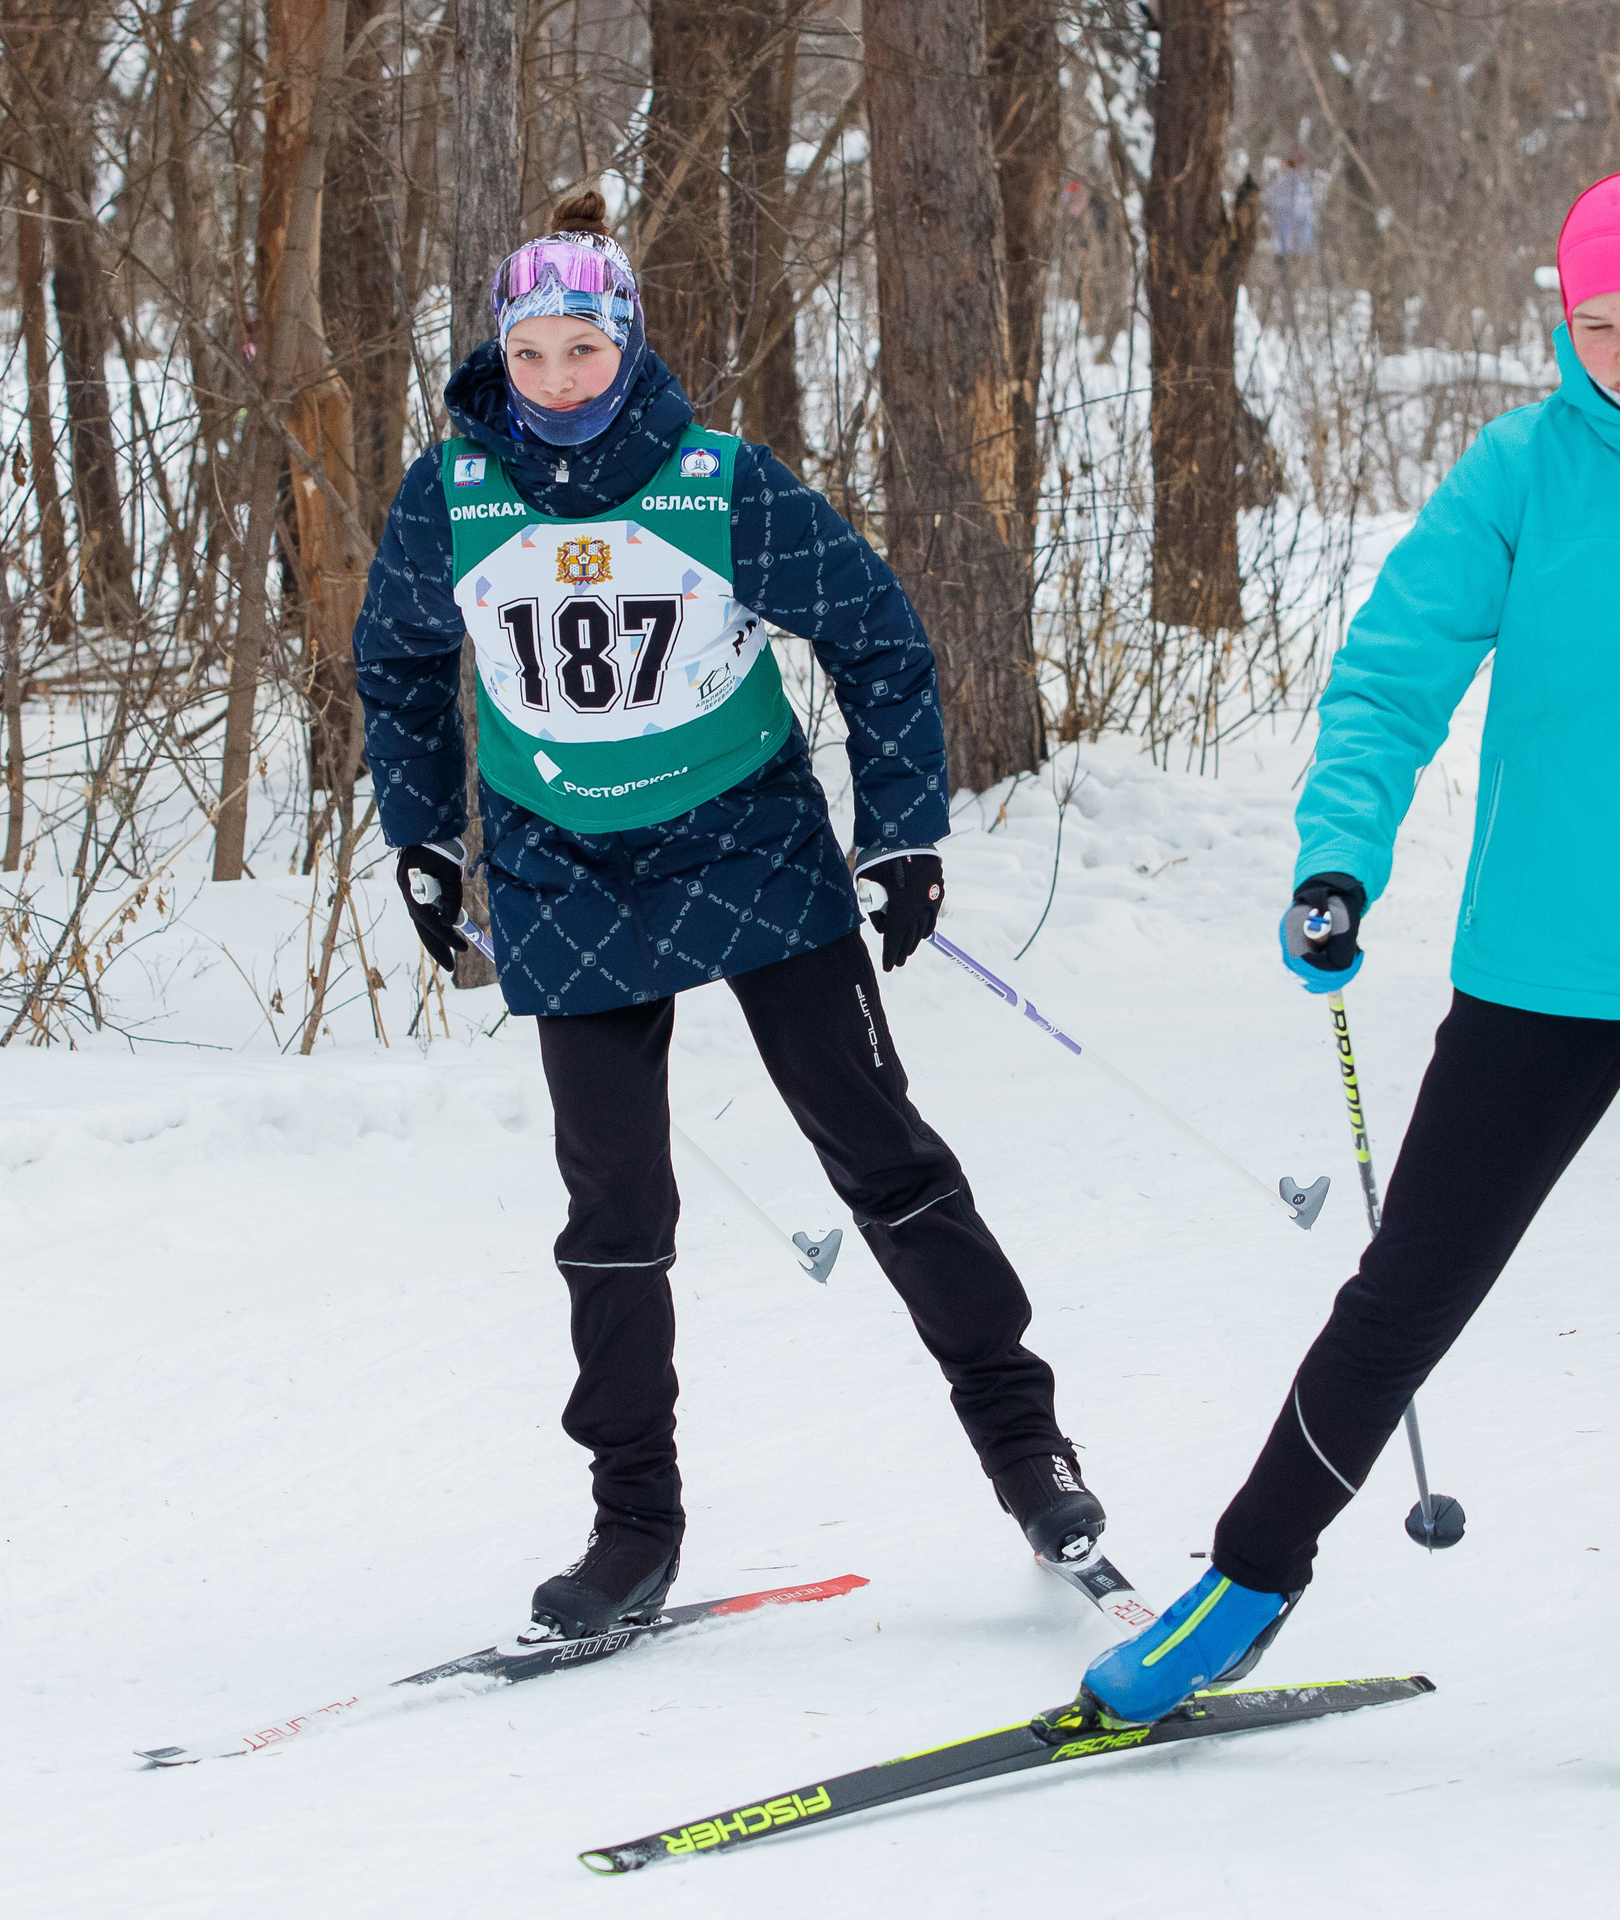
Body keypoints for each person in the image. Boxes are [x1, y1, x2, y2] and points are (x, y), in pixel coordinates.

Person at [1077, 172, 1620, 1738]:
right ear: (1557, 323)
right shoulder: (1520, 469)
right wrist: (1336, 858)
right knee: (1413, 1285)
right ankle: (1243, 1582)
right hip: (1542, 956)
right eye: (1598, 323)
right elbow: (1389, 675)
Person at [352, 193, 1102, 1640]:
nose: (560, 380)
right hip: (564, 865)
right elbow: (395, 661)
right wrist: (426, 839)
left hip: (750, 842)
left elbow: (878, 636)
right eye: (533, 354)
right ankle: (632, 1523)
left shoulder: (716, 483)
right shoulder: (450, 493)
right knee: (613, 1210)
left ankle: (1029, 1453)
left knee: (881, 1155)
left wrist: (901, 838)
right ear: (498, 358)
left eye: (584, 348)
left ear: (627, 345)